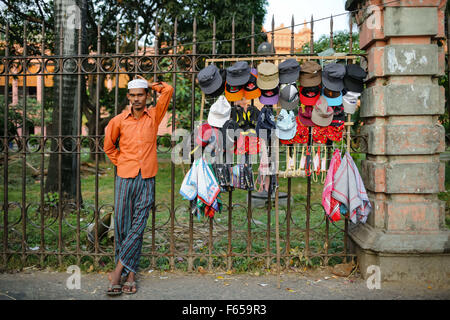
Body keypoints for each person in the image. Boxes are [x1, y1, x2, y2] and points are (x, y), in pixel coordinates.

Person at [103, 77, 174, 295]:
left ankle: (119, 272)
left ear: (147, 96)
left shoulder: (154, 115)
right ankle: (130, 275)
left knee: (138, 224)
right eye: (133, 95)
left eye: (140, 94)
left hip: (147, 178)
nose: (136, 99)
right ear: (128, 97)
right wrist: (123, 163)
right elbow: (108, 147)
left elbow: (168, 89)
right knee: (124, 226)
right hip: (125, 178)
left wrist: (148, 83)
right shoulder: (118, 121)